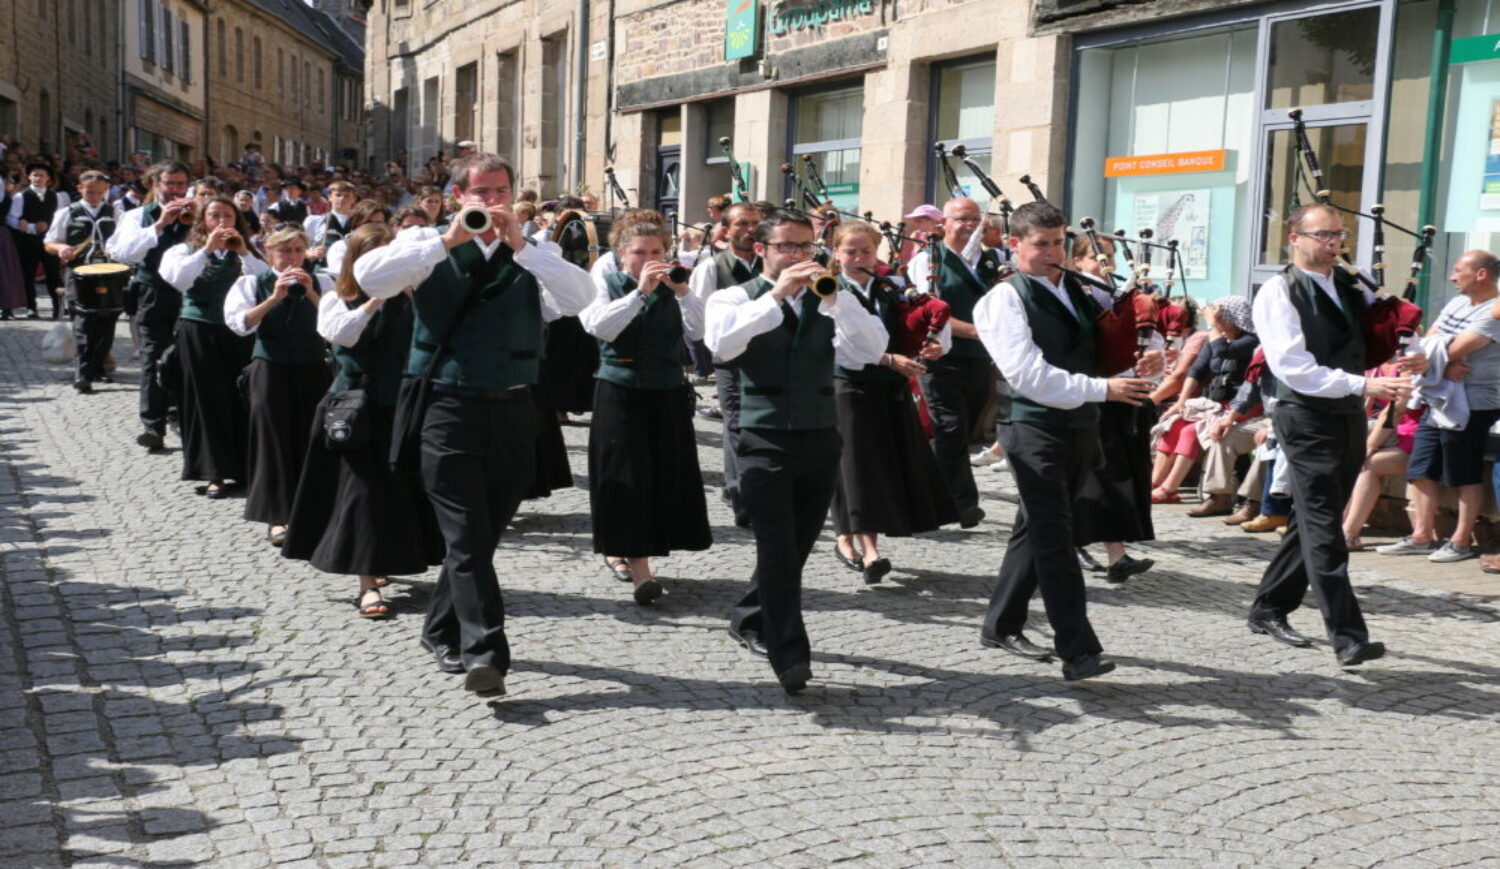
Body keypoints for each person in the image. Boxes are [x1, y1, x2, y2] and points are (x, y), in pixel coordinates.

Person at [353, 152, 594, 697]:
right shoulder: (426, 244)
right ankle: (485, 651)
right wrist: (447, 242)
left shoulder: (536, 249)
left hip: (513, 407)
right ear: (459, 196)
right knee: (463, 533)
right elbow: (370, 277)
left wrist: (521, 247)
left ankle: (439, 627)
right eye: (480, 192)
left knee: (483, 533)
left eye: (500, 191)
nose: (491, 202)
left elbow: (579, 300)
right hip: (447, 405)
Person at [705, 210, 887, 694]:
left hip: (820, 435)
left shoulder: (832, 297)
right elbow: (720, 345)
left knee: (797, 548)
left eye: (805, 247)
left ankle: (748, 614)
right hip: (763, 438)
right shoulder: (733, 297)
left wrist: (841, 303)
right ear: (761, 250)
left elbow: (870, 350)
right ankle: (790, 656)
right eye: (786, 246)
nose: (798, 256)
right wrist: (777, 293)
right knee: (777, 547)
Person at [974, 201, 1157, 681]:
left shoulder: (1075, 289)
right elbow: (1028, 375)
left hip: (1079, 424)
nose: (1052, 252)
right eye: (1041, 244)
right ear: (1015, 245)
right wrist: (1105, 388)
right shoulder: (1003, 299)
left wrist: (1135, 369)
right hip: (1031, 426)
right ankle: (1077, 649)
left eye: (1058, 242)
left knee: (1036, 526)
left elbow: (1097, 353)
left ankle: (1001, 622)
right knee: (1056, 536)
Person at [1247, 202, 1423, 667]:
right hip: (1302, 414)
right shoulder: (1278, 291)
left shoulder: (1349, 282)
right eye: (1322, 235)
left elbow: (1392, 325)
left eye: (1337, 235)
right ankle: (1348, 636)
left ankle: (1268, 607)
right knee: (1326, 525)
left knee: (1312, 517)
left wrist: (1420, 356)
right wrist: (1365, 383)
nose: (1332, 244)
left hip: (1345, 411)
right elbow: (1293, 367)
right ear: (1295, 239)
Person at [281, 223, 442, 618]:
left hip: (403, 406)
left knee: (399, 491)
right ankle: (367, 582)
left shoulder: (415, 301)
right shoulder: (341, 297)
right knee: (362, 495)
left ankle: (388, 559)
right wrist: (375, 301)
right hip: (356, 410)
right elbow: (341, 336)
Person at [579, 210, 712, 603]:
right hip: (619, 389)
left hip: (667, 390)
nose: (648, 258)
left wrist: (684, 292)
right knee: (627, 475)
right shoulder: (607, 281)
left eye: (656, 250)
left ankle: (638, 548)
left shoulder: (675, 285)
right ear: (622, 253)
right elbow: (600, 327)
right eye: (639, 251)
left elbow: (699, 332)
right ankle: (641, 572)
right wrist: (639, 292)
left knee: (662, 473)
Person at [827, 221, 958, 583]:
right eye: (850, 251)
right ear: (836, 253)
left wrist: (932, 343)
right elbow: (844, 344)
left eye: (866, 251)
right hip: (848, 385)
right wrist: (887, 359)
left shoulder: (888, 287)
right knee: (857, 466)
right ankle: (870, 552)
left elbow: (917, 322)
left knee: (882, 463)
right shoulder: (829, 289)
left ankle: (845, 537)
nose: (858, 258)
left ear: (877, 253)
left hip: (890, 387)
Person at [1375, 251, 1500, 563]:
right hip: (1439, 396)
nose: (1452, 277)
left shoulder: (1494, 310)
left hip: (1474, 403)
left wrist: (1437, 360)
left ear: (1481, 274)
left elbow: (1452, 348)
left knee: (1463, 472)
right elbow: (1427, 342)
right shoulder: (1457, 303)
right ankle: (1422, 535)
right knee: (1421, 467)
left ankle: (1459, 541)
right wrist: (1442, 365)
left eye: (1459, 271)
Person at [224, 226, 332, 547]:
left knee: (313, 437)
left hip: (313, 367)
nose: (292, 257)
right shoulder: (251, 282)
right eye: (285, 251)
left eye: (299, 250)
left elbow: (336, 324)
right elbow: (240, 324)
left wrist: (312, 293)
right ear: (270, 252)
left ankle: (314, 511)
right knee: (273, 441)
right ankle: (277, 516)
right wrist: (273, 298)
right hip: (270, 368)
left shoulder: (323, 281)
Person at [159, 196, 266, 497]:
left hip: (238, 331)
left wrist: (244, 251)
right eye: (214, 216)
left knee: (242, 396)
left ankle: (245, 467)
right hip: (199, 329)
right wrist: (207, 249)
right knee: (206, 399)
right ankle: (213, 471)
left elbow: (266, 283)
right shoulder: (185, 250)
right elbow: (178, 280)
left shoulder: (247, 252)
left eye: (228, 216)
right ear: (203, 221)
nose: (221, 222)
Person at [1070, 234, 1161, 583]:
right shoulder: (1076, 297)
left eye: (1108, 256)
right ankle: (1111, 553)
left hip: (1129, 392)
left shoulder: (1125, 297)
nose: (1105, 264)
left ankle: (1112, 554)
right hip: (1092, 394)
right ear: (1077, 261)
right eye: (1096, 256)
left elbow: (1149, 342)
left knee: (1117, 472)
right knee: (1101, 474)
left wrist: (1155, 357)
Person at [909, 197, 1004, 528]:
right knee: (949, 427)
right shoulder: (928, 260)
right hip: (940, 357)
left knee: (965, 431)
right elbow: (929, 312)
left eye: (975, 220)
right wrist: (978, 332)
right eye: (962, 219)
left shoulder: (991, 260)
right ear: (943, 224)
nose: (969, 225)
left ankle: (929, 491)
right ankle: (961, 503)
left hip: (979, 358)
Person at [105, 161, 194, 452]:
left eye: (181, 184)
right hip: (153, 293)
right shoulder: (136, 216)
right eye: (169, 184)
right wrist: (159, 225)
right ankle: (152, 425)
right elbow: (121, 252)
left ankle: (180, 416)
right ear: (156, 184)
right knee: (153, 357)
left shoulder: (200, 213)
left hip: (191, 296)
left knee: (187, 358)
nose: (175, 190)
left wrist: (198, 222)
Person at [689, 201, 764, 524]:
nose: (749, 231)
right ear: (726, 230)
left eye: (755, 225)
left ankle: (758, 486)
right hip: (730, 360)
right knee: (735, 425)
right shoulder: (711, 267)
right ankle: (740, 495)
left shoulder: (771, 264)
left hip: (768, 358)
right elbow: (698, 317)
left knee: (760, 424)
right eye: (742, 224)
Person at [43, 170, 118, 390]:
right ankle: (82, 372)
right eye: (89, 191)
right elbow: (49, 242)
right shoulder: (67, 212)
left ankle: (99, 366)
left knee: (107, 320)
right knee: (83, 321)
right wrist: (61, 248)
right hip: (79, 273)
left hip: (108, 273)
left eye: (99, 192)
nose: (94, 196)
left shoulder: (114, 212)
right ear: (79, 189)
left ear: (105, 190)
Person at [7, 162, 69, 318]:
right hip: (28, 241)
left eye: (41, 175)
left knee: (53, 274)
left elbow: (60, 218)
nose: (38, 178)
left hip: (50, 241)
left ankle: (58, 307)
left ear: (48, 178)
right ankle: (31, 307)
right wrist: (32, 227)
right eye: (34, 175)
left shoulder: (57, 197)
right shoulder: (21, 196)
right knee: (28, 275)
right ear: (29, 177)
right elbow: (11, 219)